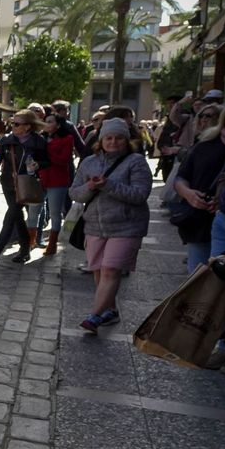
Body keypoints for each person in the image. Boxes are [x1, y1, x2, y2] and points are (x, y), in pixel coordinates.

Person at [72, 118, 153, 331]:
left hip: (127, 225)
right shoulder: (89, 162)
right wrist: (89, 187)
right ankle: (110, 310)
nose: (113, 142)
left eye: (119, 138)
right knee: (99, 271)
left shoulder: (136, 162)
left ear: (127, 140)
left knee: (110, 270)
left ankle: (94, 315)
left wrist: (109, 185)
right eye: (108, 138)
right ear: (101, 140)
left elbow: (140, 194)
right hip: (95, 225)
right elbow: (75, 193)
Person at [0, 110, 50, 265]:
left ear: (27, 126)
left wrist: (37, 165)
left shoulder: (39, 142)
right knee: (17, 216)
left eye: (16, 124)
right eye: (12, 123)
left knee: (11, 214)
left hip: (27, 184)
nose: (12, 126)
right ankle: (25, 250)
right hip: (8, 183)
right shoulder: (6, 140)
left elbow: (47, 162)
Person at [170, 106, 225, 271]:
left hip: (221, 214)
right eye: (202, 115)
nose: (204, 119)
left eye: (209, 116)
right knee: (200, 276)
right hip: (201, 220)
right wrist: (189, 194)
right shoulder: (205, 145)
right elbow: (180, 179)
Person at [36, 106, 81, 254]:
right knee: (34, 211)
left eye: (50, 121)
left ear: (58, 125)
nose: (46, 124)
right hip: (42, 178)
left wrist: (46, 153)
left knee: (55, 213)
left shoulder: (67, 138)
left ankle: (52, 244)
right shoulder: (41, 138)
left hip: (58, 179)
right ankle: (31, 241)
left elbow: (63, 159)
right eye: (45, 121)